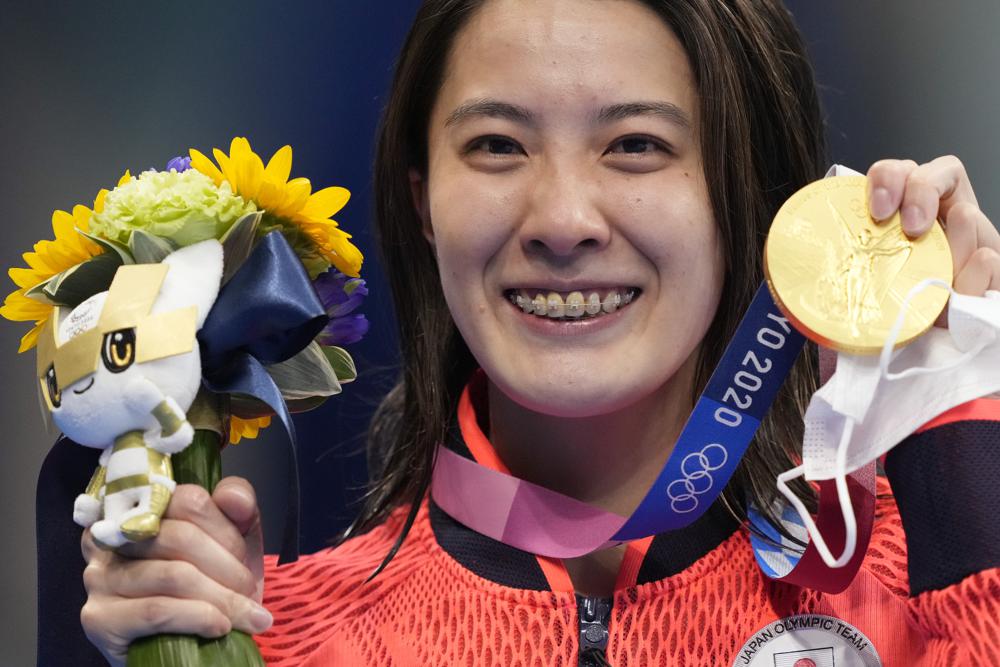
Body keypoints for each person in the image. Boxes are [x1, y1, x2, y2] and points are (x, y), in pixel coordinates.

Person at [78, 0, 1000, 665]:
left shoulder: (925, 582)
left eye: (637, 144)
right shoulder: (273, 635)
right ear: (424, 203)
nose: (562, 218)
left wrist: (968, 428)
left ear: (745, 193)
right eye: (497, 146)